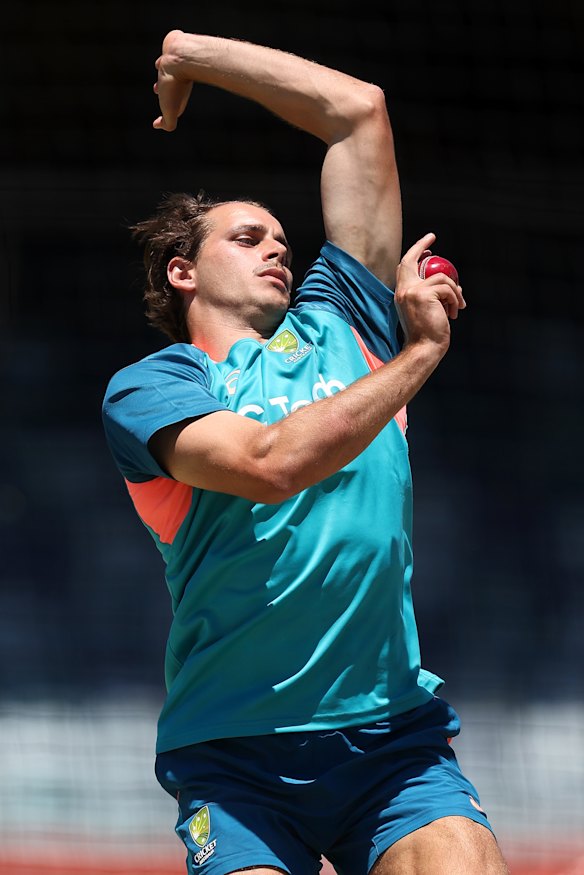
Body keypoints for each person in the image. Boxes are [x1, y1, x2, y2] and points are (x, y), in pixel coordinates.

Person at [102, 29, 508, 875]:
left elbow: (359, 115)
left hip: (392, 740)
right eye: (247, 237)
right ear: (183, 272)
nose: (279, 245)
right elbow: (268, 465)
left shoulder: (345, 322)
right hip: (235, 751)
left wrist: (192, 57)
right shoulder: (155, 386)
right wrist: (421, 354)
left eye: (283, 236)